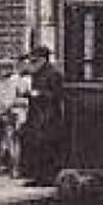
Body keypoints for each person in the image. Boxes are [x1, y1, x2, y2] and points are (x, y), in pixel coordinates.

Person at [21, 45, 66, 186]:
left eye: (35, 60)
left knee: (47, 146)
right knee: (36, 146)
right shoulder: (37, 73)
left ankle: (48, 177)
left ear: (43, 59)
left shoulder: (54, 74)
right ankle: (37, 177)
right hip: (36, 114)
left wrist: (39, 94)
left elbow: (57, 94)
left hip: (49, 116)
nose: (32, 63)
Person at [0, 58, 31, 177]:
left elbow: (24, 98)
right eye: (1, 68)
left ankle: (15, 168)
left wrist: (12, 104)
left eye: (6, 68)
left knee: (11, 142)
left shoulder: (18, 81)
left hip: (13, 114)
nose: (3, 70)